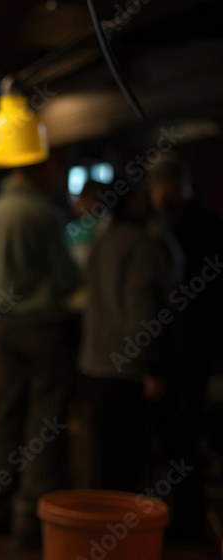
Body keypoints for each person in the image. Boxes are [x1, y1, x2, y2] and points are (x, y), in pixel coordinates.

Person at [0, 158, 80, 547]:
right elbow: (69, 278)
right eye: (54, 170)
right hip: (45, 328)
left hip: (3, 329)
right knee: (45, 425)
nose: (57, 178)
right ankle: (30, 522)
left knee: (7, 418)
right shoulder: (42, 213)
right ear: (37, 171)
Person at [77, 179, 173, 493]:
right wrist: (152, 364)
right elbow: (141, 305)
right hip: (128, 363)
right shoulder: (140, 241)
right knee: (128, 460)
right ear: (132, 201)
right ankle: (126, 532)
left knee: (104, 458)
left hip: (95, 360)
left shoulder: (102, 240)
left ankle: (104, 528)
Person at [146, 155, 223, 542]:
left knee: (178, 435)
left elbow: (166, 293)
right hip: (205, 346)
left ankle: (189, 519)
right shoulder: (210, 222)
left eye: (156, 188)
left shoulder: (173, 228)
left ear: (170, 185)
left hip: (182, 349)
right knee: (186, 434)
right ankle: (191, 516)